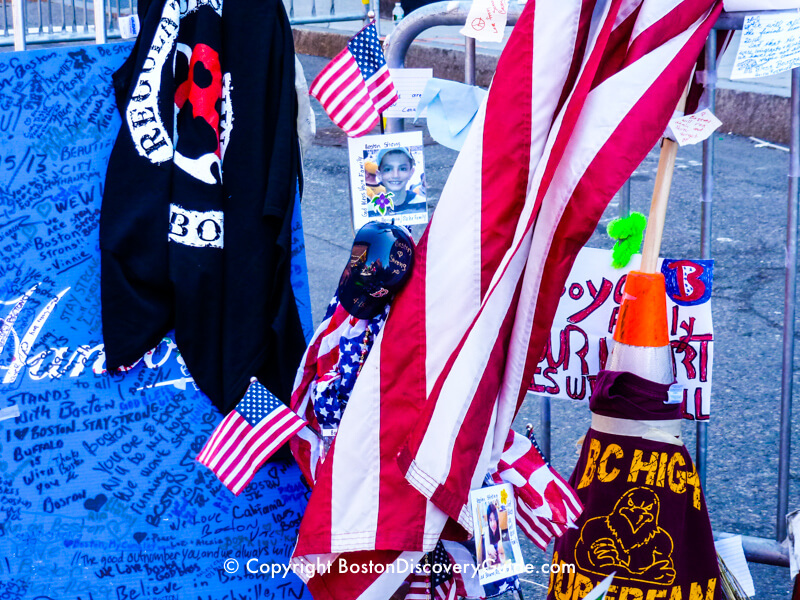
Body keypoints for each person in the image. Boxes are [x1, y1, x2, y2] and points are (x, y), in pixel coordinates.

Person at [374, 147, 426, 214]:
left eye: (402, 169)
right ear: (379, 175)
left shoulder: (423, 204)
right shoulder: (370, 209)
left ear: (411, 173)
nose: (395, 175)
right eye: (388, 169)